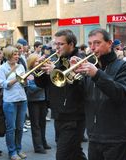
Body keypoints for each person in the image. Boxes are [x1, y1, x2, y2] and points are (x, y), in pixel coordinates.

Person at [75, 28, 126, 160]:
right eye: (90, 44)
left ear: (109, 43)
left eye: (97, 43)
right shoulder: (89, 68)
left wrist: (97, 74)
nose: (92, 48)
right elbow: (81, 97)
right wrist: (74, 77)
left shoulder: (124, 66)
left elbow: (120, 93)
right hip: (94, 136)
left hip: (117, 137)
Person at [34, 29, 87, 160]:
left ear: (71, 44)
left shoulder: (79, 59)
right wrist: (38, 70)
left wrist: (55, 70)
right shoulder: (55, 59)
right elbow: (42, 84)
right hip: (59, 114)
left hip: (74, 116)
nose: (56, 47)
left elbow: (80, 86)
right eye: (55, 44)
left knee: (63, 155)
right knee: (75, 152)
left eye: (60, 44)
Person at [0, 46, 27, 160]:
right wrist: (17, 79)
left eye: (18, 54)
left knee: (19, 127)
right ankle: (12, 152)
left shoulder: (20, 66)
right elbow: (4, 85)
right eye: (15, 54)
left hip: (22, 99)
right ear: (9, 55)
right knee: (11, 128)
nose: (17, 56)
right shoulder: (1, 68)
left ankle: (19, 149)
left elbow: (24, 84)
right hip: (10, 101)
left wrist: (26, 81)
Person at [26, 54, 51, 154]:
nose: (39, 63)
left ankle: (43, 142)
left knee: (43, 123)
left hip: (43, 100)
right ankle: (38, 146)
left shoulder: (42, 72)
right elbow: (31, 89)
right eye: (36, 61)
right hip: (33, 101)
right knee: (35, 124)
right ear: (32, 63)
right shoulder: (29, 73)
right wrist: (43, 85)